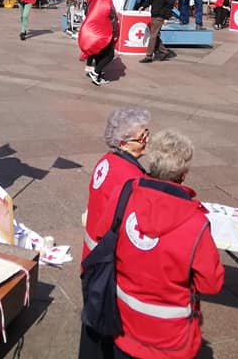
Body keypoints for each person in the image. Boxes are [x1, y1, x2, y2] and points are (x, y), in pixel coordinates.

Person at [97, 129, 224, 359]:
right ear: (183, 174)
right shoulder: (196, 223)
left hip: (123, 323)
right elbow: (211, 284)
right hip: (172, 340)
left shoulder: (122, 195)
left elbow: (101, 237)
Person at [78, 108, 150, 358]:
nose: (146, 140)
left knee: (91, 327)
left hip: (91, 257)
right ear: (123, 142)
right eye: (141, 137)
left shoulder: (105, 161)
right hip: (108, 266)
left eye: (146, 134)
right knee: (104, 331)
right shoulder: (132, 176)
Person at [139, 0, 176, 64]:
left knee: (153, 36)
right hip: (154, 15)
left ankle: (149, 56)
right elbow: (150, 0)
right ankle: (164, 51)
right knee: (155, 35)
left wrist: (166, 17)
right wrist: (143, 6)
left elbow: (170, 4)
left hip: (160, 16)